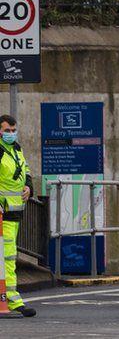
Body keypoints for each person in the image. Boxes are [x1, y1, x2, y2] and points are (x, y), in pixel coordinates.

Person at [0, 115, 34, 317]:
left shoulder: (17, 149)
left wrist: (29, 187)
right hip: (3, 215)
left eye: (13, 130)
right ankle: (13, 301)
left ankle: (12, 299)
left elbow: (25, 171)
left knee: (9, 258)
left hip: (14, 214)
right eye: (7, 131)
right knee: (6, 259)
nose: (11, 134)